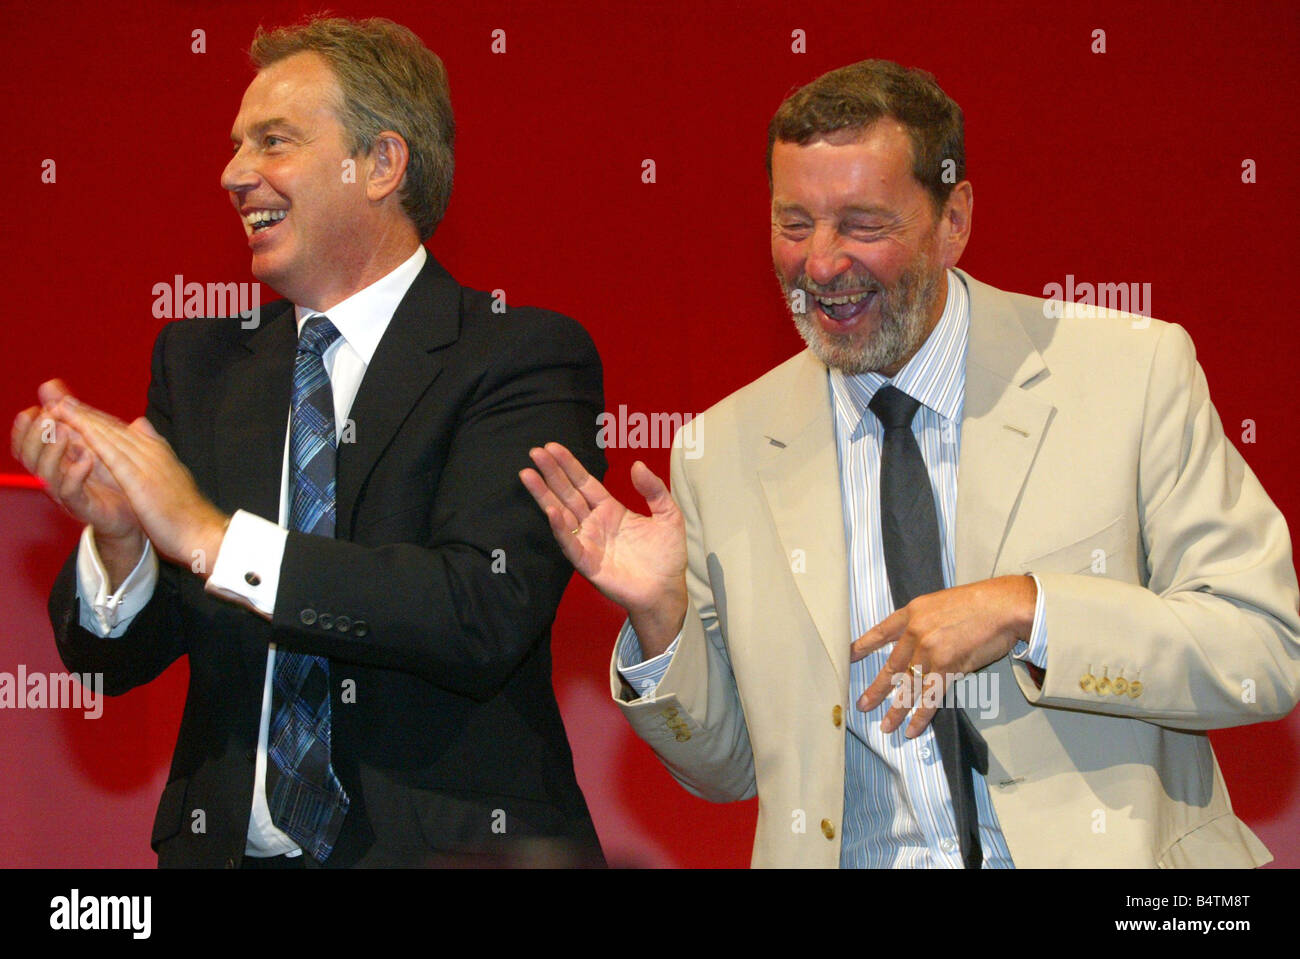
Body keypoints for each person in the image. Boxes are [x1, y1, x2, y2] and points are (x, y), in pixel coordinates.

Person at [520, 59, 1300, 867]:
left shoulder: (1131, 374)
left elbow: (1264, 647)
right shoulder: (723, 450)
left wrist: (1029, 611)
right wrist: (662, 618)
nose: (820, 265)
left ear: (953, 217)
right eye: (795, 223)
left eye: (862, 224)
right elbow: (729, 769)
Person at [12, 17, 606, 868]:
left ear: (381, 164)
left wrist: (215, 539)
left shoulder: (520, 355)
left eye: (273, 141)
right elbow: (113, 666)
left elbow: (478, 609)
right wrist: (122, 540)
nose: (232, 173)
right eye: (234, 145)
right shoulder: (201, 364)